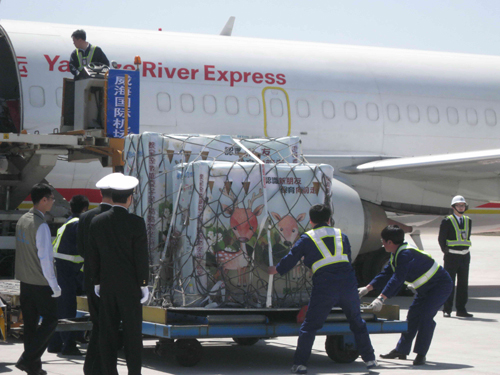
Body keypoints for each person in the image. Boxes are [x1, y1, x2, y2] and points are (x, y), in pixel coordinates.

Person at [268, 204, 376, 374]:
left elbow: (292, 257)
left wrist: (276, 270)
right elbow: (345, 257)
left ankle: (300, 364)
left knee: (310, 325)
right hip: (348, 283)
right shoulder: (342, 235)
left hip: (326, 285)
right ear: (329, 219)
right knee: (357, 322)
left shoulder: (307, 238)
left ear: (310, 221)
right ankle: (370, 360)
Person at [358, 225, 453, 366]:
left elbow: (397, 279)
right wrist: (367, 288)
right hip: (425, 289)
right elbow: (387, 273)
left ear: (390, 242)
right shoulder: (397, 253)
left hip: (440, 286)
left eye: (383, 241)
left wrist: (381, 298)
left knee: (425, 317)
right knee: (413, 316)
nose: (382, 244)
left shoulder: (405, 254)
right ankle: (401, 350)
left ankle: (421, 354)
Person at [88, 173, 149, 375]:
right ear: (130, 198)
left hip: (106, 285)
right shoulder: (136, 223)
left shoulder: (97, 222)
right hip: (130, 287)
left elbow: (93, 255)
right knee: (133, 335)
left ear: (111, 198)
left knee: (107, 334)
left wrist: (97, 281)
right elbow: (141, 257)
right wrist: (143, 283)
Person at [15, 183, 61, 375]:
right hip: (40, 283)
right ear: (43, 200)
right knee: (51, 321)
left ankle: (34, 368)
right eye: (51, 198)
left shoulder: (22, 220)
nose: (53, 201)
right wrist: (55, 286)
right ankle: (27, 359)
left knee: (31, 326)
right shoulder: (41, 226)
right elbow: (46, 260)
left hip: (24, 281)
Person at [77, 174, 115, 375]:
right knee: (106, 324)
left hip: (90, 278)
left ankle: (93, 366)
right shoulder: (116, 217)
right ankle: (97, 366)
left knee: (98, 322)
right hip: (109, 280)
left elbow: (81, 250)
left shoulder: (84, 217)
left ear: (100, 193)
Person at [48, 195, 89, 355]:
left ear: (71, 208)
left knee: (60, 308)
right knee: (68, 309)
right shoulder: (79, 224)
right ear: (85, 209)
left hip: (60, 269)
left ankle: (54, 343)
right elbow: (84, 250)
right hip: (71, 271)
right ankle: (69, 345)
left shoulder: (67, 223)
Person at [439, 195, 473, 318]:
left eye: (463, 205)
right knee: (449, 283)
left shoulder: (468, 220)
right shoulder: (447, 220)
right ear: (453, 207)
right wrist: (446, 251)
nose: (461, 207)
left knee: (463, 284)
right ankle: (447, 309)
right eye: (459, 205)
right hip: (452, 256)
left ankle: (461, 309)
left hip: (464, 256)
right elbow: (441, 238)